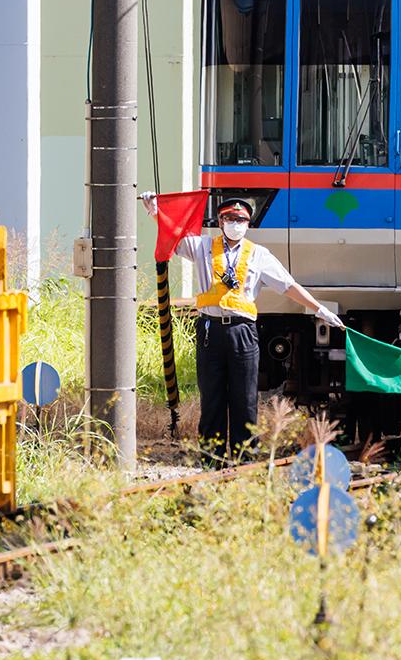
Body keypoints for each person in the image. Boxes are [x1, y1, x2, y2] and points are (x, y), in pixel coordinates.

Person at [141, 194, 341, 462]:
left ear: (248, 224)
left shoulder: (259, 255)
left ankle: (244, 459)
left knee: (244, 399)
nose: (235, 223)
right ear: (221, 222)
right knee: (211, 399)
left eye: (240, 220)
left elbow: (288, 285)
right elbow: (173, 236)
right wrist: (156, 212)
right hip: (210, 331)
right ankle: (211, 460)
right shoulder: (202, 246)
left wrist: (319, 309)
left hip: (243, 333)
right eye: (229, 219)